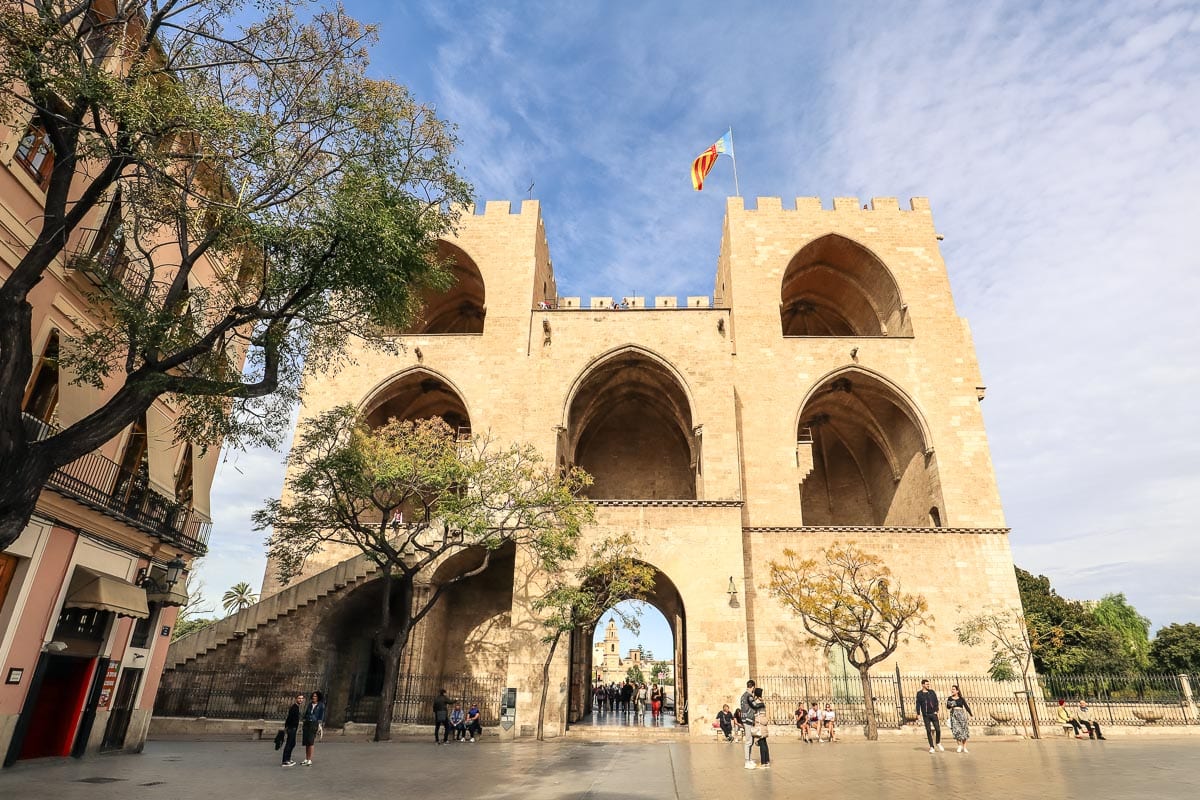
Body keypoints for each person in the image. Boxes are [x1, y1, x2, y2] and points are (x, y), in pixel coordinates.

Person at [916, 679, 943, 753]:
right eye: (927, 684)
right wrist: (918, 714)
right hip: (926, 715)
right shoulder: (919, 694)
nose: (928, 685)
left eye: (928, 684)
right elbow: (918, 704)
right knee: (928, 730)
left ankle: (938, 742)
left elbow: (936, 701)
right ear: (923, 685)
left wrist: (937, 710)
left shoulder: (932, 692)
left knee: (938, 729)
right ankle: (931, 747)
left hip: (933, 713)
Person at [739, 679, 760, 769]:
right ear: (753, 687)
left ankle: (749, 759)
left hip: (746, 720)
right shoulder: (749, 696)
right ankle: (747, 761)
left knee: (750, 741)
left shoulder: (743, 695)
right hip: (748, 720)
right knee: (748, 741)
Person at [301, 690, 325, 766]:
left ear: (318, 697)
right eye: (313, 696)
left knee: (311, 742)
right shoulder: (310, 704)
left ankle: (310, 759)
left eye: (315, 696)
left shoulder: (321, 705)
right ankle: (306, 758)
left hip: (314, 723)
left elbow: (321, 716)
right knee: (306, 742)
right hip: (307, 723)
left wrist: (319, 725)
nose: (314, 698)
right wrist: (304, 720)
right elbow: (306, 713)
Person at [946, 684, 973, 753]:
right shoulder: (950, 698)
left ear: (957, 691)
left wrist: (970, 714)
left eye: (954, 689)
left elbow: (966, 706)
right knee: (956, 730)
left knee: (964, 730)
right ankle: (959, 746)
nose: (952, 690)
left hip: (961, 715)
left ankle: (964, 746)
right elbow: (948, 707)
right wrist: (950, 705)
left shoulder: (961, 698)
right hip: (954, 715)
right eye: (952, 689)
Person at [750, 687, 771, 769]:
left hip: (759, 724)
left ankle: (763, 763)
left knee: (762, 743)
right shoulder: (762, 702)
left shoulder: (757, 703)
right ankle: (767, 761)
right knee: (764, 743)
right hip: (763, 724)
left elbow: (753, 711)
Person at [281, 692, 303, 767]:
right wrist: (287, 727)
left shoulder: (296, 707)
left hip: (293, 728)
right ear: (296, 699)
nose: (300, 700)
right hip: (291, 728)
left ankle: (288, 759)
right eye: (299, 698)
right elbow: (289, 718)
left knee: (292, 744)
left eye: (301, 698)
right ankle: (285, 761)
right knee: (289, 744)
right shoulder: (294, 707)